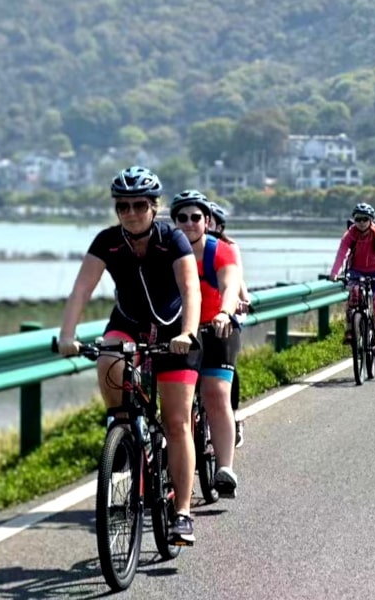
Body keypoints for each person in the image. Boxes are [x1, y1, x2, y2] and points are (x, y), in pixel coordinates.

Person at [57, 166, 201, 546]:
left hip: (174, 333)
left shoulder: (172, 238)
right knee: (107, 358)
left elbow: (190, 288)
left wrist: (188, 332)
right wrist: (67, 335)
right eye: (123, 206)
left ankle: (183, 513)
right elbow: (81, 289)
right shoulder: (107, 241)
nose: (132, 212)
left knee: (176, 421)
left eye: (139, 205)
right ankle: (121, 426)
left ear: (154, 207)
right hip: (128, 323)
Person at [171, 190, 242, 497]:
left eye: (195, 217)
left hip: (217, 327)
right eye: (182, 218)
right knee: (175, 402)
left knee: (215, 392)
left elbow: (229, 286)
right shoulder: (166, 253)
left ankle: (224, 468)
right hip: (180, 332)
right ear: (174, 222)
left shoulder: (220, 251)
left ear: (208, 221)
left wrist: (226, 312)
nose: (189, 223)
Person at [207, 201, 249, 448]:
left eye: (209, 220)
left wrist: (244, 299)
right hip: (194, 316)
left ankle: (232, 415)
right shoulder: (183, 246)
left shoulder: (228, 247)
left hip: (224, 311)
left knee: (227, 368)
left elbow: (236, 277)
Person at [328, 202, 375, 361]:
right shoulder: (350, 234)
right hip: (356, 271)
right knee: (354, 296)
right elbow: (342, 253)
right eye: (358, 219)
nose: (361, 223)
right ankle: (351, 330)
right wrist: (334, 273)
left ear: (371, 219)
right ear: (354, 220)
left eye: (365, 219)